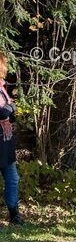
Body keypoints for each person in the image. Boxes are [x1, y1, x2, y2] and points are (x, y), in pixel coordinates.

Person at [0, 53, 23, 225]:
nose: (6, 67)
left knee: (13, 179)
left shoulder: (1, 87)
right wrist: (12, 106)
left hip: (5, 139)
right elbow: (2, 112)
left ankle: (14, 215)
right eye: (4, 64)